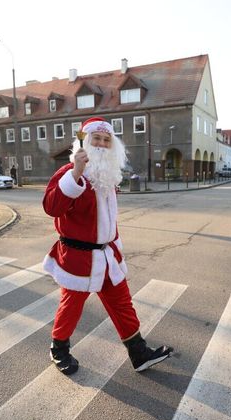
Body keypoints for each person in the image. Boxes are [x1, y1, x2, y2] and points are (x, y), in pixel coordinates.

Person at [41, 117, 172, 375]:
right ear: (85, 141)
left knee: (122, 303)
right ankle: (59, 349)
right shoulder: (67, 173)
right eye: (96, 139)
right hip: (78, 256)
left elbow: (108, 220)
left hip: (107, 254)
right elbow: (51, 208)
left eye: (106, 140)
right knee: (71, 306)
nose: (101, 144)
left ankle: (139, 353)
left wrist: (116, 246)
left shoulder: (108, 177)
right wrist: (75, 174)